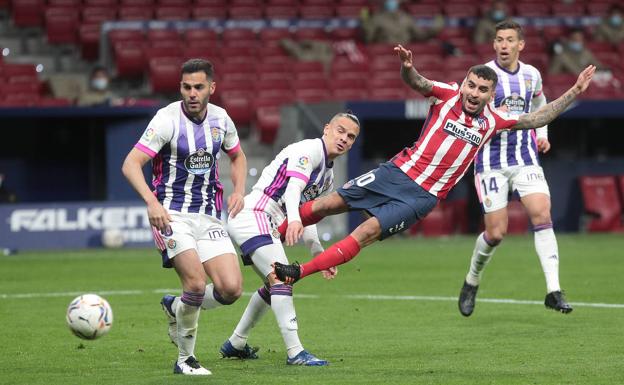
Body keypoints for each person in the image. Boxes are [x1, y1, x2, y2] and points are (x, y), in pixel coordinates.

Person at [271, 45, 595, 288]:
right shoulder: (447, 94)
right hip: (396, 172)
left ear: (491, 94)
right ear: (464, 83)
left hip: (421, 197)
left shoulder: (495, 120)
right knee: (329, 203)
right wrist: (407, 67)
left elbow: (537, 117)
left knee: (366, 231)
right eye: (471, 85)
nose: (473, 93)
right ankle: (264, 238)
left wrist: (574, 91)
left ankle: (298, 272)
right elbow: (417, 81)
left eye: (482, 89)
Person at [121, 58, 248, 376]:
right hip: (171, 214)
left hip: (209, 216)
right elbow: (131, 164)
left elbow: (238, 155)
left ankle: (175, 307)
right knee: (194, 283)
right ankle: (185, 359)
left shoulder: (221, 119)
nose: (192, 93)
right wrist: (152, 204)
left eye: (199, 87)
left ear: (211, 88)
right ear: (181, 87)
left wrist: (239, 190)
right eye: (186, 87)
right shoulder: (166, 120)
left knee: (231, 289)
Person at [220, 112, 360, 366]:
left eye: (350, 137)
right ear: (327, 128)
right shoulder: (309, 150)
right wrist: (294, 219)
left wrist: (317, 251)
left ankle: (235, 342)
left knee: (271, 284)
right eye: (340, 131)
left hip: (262, 221)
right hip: (256, 214)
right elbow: (294, 189)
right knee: (283, 278)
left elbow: (308, 213)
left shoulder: (327, 175)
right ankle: (295, 352)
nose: (344, 139)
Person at [458, 20, 572, 318]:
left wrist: (543, 135)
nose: (503, 45)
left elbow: (540, 101)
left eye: (509, 40)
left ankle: (553, 290)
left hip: (524, 157)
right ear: (493, 44)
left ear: (521, 44)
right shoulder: (483, 76)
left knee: (541, 213)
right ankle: (472, 280)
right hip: (490, 160)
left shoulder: (532, 75)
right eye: (498, 40)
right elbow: (465, 109)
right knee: (495, 234)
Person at [362, 0, 444, 45]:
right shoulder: (377, 19)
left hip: (404, 56)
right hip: (384, 58)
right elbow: (368, 38)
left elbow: (420, 35)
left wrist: (436, 27)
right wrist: (364, 21)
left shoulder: (406, 18)